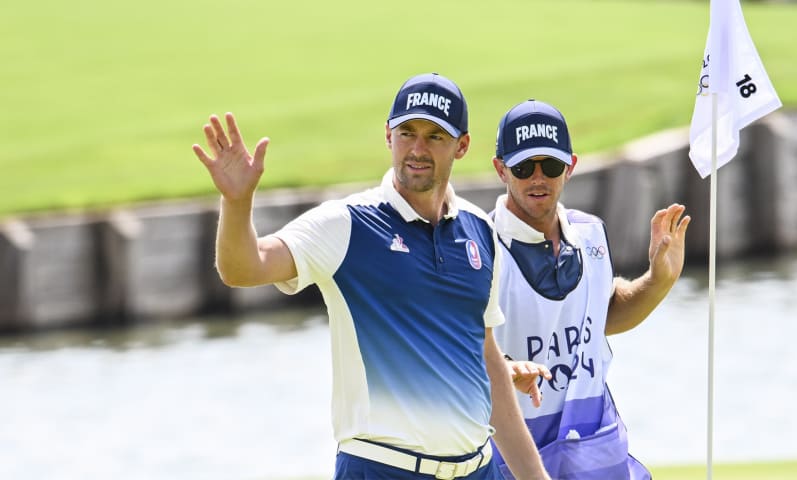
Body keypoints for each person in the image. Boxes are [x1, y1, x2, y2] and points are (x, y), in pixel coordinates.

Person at [191, 74, 550, 480]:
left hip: (478, 470)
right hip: (382, 468)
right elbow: (244, 268)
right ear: (388, 135)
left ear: (462, 145)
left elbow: (487, 360)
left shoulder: (479, 232)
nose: (417, 149)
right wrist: (237, 203)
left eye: (435, 136)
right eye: (407, 132)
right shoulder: (347, 224)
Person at [487, 99, 691, 479]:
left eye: (550, 165)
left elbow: (604, 313)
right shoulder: (479, 248)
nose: (537, 178)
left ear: (570, 167)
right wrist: (505, 369)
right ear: (501, 169)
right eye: (522, 167)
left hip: (596, 445)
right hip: (514, 454)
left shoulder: (591, 233)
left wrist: (658, 281)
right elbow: (455, 352)